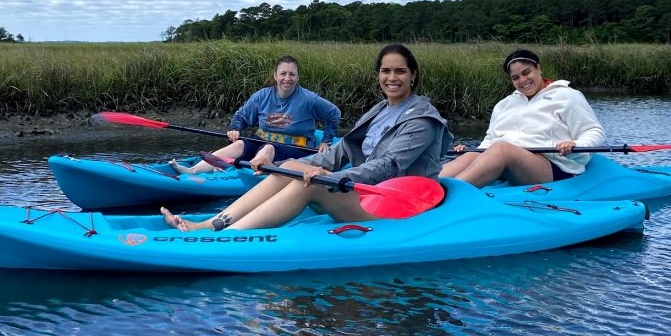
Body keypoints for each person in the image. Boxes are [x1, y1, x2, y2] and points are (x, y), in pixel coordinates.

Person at [161, 44, 452, 231]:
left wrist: (331, 176)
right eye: (385, 71)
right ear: (378, 75)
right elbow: (341, 152)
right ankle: (214, 223)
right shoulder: (378, 111)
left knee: (309, 185)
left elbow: (390, 166)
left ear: (413, 75)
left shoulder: (423, 118)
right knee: (292, 168)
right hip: (369, 192)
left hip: (400, 202)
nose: (392, 77)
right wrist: (310, 165)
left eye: (400, 71)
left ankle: (223, 236)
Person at [439, 48, 605, 187]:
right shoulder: (504, 104)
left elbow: (594, 131)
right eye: (515, 77)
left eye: (527, 72)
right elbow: (490, 141)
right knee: (473, 154)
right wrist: (473, 151)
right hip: (510, 162)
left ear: (538, 68)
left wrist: (576, 144)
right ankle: (428, 185)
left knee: (502, 149)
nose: (523, 80)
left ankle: (447, 197)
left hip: (553, 165)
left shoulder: (567, 96)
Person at [169, 55, 341, 174]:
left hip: (297, 149)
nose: (287, 78)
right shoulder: (262, 96)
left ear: (297, 77)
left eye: (292, 74)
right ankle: (193, 170)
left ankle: (253, 175)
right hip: (262, 143)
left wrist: (326, 140)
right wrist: (235, 128)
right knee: (240, 144)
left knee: (269, 148)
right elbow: (241, 116)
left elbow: (334, 113)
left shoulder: (309, 99)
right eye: (283, 73)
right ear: (275, 76)